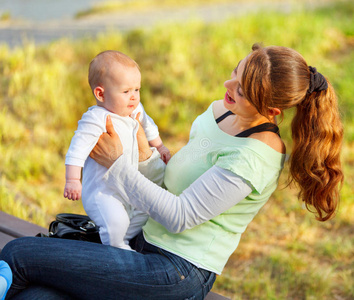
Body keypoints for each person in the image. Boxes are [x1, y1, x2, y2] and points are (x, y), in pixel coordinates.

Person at [0, 44, 343, 300]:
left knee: (19, 254)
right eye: (236, 72)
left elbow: (180, 216)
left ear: (270, 110)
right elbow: (168, 183)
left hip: (175, 272)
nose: (228, 84)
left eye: (240, 89)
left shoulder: (254, 157)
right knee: (34, 297)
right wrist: (145, 150)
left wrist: (118, 164)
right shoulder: (220, 112)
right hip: (141, 239)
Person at [64, 50, 169, 249]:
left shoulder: (135, 109)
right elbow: (76, 149)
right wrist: (72, 180)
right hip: (103, 191)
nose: (134, 97)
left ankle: (119, 241)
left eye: (137, 90)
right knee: (115, 223)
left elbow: (148, 126)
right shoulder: (96, 118)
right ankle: (117, 249)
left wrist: (160, 146)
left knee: (145, 211)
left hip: (126, 184)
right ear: (100, 94)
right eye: (126, 91)